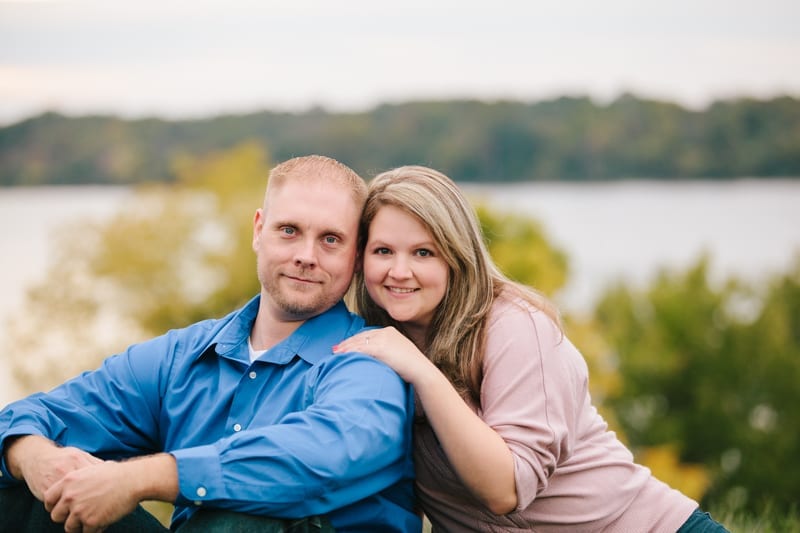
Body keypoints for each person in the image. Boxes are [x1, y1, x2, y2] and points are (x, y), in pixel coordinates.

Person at [0, 155, 420, 533]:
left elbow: (317, 456)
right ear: (259, 231)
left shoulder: (368, 362)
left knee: (242, 517)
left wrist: (136, 479)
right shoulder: (183, 355)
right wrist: (35, 459)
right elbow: (38, 414)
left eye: (330, 239)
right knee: (26, 487)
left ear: (357, 253)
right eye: (289, 231)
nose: (306, 256)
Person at [335, 165, 728, 532]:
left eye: (424, 252)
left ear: (457, 258)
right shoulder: (373, 340)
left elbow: (505, 490)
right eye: (383, 251)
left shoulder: (514, 326)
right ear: (360, 259)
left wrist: (421, 371)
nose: (399, 271)